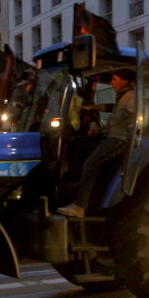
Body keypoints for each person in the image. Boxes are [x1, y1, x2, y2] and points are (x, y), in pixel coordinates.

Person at [57, 69, 137, 218]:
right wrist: (91, 111)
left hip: (119, 139)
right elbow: (111, 109)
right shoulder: (123, 96)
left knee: (90, 164)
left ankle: (80, 206)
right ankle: (79, 183)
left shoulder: (131, 97)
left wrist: (133, 125)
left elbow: (135, 116)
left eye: (115, 79)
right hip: (110, 134)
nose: (112, 82)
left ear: (124, 81)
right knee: (74, 143)